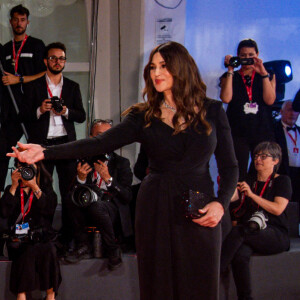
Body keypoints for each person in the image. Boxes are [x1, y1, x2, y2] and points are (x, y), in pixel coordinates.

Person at [8, 41, 239, 300]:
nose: (155, 73)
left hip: (202, 206)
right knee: (159, 285)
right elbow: (98, 142)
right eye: (152, 67)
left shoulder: (213, 110)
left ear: (181, 68)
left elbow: (230, 166)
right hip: (156, 206)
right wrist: (44, 151)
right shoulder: (143, 116)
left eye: (163, 66)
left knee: (201, 284)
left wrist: (221, 203)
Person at [19, 42, 86, 241]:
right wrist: (40, 109)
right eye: (54, 58)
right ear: (45, 61)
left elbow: (81, 116)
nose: (58, 62)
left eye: (62, 58)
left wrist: (65, 111)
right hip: (42, 145)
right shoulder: (33, 86)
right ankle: (44, 233)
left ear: (65, 61)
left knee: (68, 191)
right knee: (44, 191)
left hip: (65, 144)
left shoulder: (72, 87)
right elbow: (23, 115)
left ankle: (70, 236)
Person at [221, 141, 291, 300]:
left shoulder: (282, 181)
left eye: (263, 156)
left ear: (275, 160)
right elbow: (238, 211)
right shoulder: (248, 180)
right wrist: (233, 195)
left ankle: (215, 270)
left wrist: (252, 195)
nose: (258, 159)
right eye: (256, 155)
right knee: (239, 254)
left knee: (240, 232)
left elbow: (277, 209)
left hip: (276, 233)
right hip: (250, 231)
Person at [64, 119, 133, 270]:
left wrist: (109, 180)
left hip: (111, 208)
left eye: (109, 135)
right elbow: (73, 192)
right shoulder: (82, 161)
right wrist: (80, 180)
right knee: (70, 199)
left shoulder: (122, 163)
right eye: (100, 135)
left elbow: (127, 196)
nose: (105, 140)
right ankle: (83, 245)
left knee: (97, 206)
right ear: (91, 138)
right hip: (87, 206)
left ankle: (112, 247)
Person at [0, 4, 46, 192]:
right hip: (11, 112)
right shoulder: (4, 49)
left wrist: (18, 79)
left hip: (32, 110)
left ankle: (40, 197)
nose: (19, 23)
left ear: (28, 22)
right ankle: (6, 198)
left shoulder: (36, 45)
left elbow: (43, 73)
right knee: (3, 153)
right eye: (16, 20)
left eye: (22, 20)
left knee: (36, 157)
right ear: (10, 22)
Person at [0, 158, 61, 300]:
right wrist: (14, 187)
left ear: (37, 168)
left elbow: (49, 210)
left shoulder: (45, 189)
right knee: (26, 250)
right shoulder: (12, 189)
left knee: (49, 249)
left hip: (42, 237)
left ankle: (50, 295)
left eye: (30, 167)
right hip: (18, 240)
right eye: (22, 167)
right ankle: (21, 296)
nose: (26, 171)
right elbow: (3, 213)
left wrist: (34, 186)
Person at [220, 39, 276, 181]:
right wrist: (231, 70)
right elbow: (226, 98)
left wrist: (263, 73)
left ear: (257, 55)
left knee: (262, 169)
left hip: (261, 129)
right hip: (238, 130)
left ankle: (257, 199)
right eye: (243, 55)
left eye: (251, 55)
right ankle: (239, 201)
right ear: (238, 56)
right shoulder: (230, 76)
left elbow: (270, 100)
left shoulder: (267, 74)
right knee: (239, 170)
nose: (247, 59)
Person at [274, 100, 300, 205]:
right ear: (281, 111)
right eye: (289, 110)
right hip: (282, 175)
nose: (293, 113)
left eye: (296, 110)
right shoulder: (273, 129)